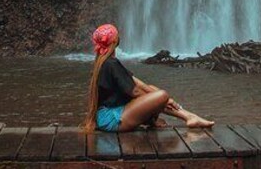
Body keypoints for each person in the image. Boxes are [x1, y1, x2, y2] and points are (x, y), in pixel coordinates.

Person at [82, 24, 215, 133]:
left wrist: (158, 97)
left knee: (153, 89)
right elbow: (135, 92)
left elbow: (135, 81)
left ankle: (189, 117)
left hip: (109, 115)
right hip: (111, 119)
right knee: (161, 95)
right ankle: (186, 117)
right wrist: (165, 100)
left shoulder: (104, 61)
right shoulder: (111, 63)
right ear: (115, 41)